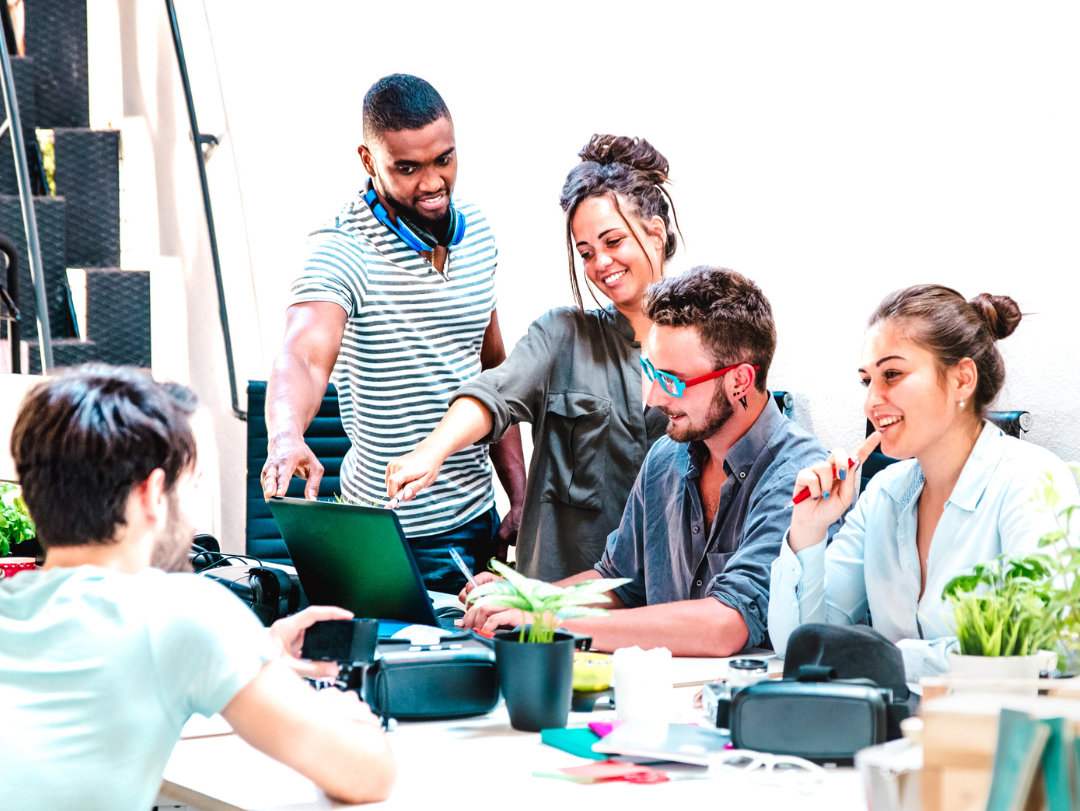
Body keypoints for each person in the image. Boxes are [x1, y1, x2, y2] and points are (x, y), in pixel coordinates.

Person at [0, 366, 396, 811]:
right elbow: (367, 774)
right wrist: (329, 701)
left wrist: (252, 660)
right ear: (152, 494)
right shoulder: (181, 613)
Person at [463, 266, 826, 657]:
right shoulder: (665, 459)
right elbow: (617, 582)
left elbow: (726, 625)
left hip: (743, 704)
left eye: (672, 380)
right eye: (651, 371)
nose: (653, 398)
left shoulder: (796, 472)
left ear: (739, 380)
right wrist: (527, 599)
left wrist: (548, 622)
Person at [260, 73, 525, 592]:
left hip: (478, 521)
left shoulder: (480, 233)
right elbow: (302, 356)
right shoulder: (342, 249)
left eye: (443, 160)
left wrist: (519, 494)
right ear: (368, 161)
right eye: (407, 168)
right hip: (390, 534)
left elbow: (496, 374)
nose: (431, 183)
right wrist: (286, 435)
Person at [385, 134, 677, 580]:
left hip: (659, 604)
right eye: (586, 253)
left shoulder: (702, 349)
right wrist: (432, 450)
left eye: (613, 241)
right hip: (551, 614)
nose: (601, 264)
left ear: (655, 234)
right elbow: (493, 393)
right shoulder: (561, 336)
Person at [768, 284, 1079, 680]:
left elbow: (1048, 647)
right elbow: (799, 645)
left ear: (962, 380)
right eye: (868, 381)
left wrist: (889, 661)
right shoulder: (883, 494)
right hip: (890, 736)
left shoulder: (1030, 480)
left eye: (892, 375)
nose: (870, 401)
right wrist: (808, 530)